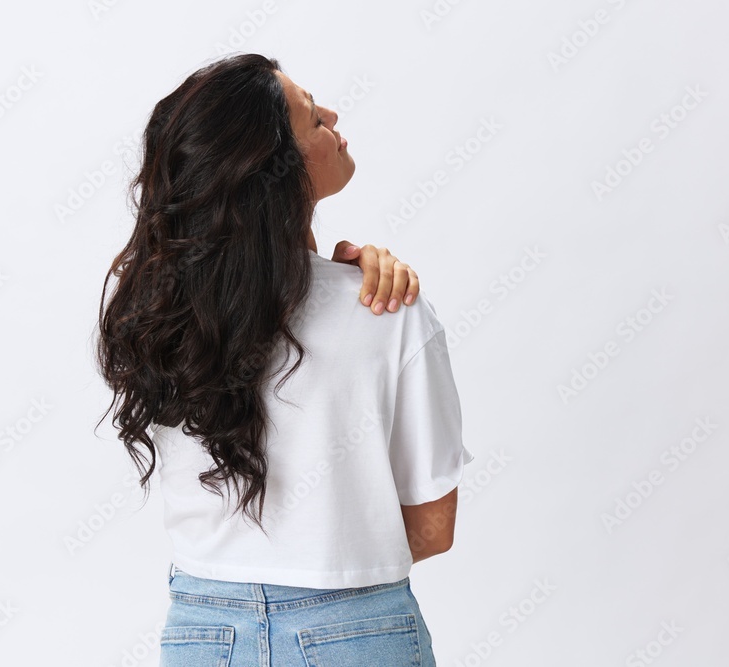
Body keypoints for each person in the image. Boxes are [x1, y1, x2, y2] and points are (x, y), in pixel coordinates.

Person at [95, 52, 473, 666]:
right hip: (357, 634)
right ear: (275, 170)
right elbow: (434, 527)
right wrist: (340, 564)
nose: (333, 117)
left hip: (204, 636)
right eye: (312, 117)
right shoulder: (387, 308)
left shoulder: (156, 318)